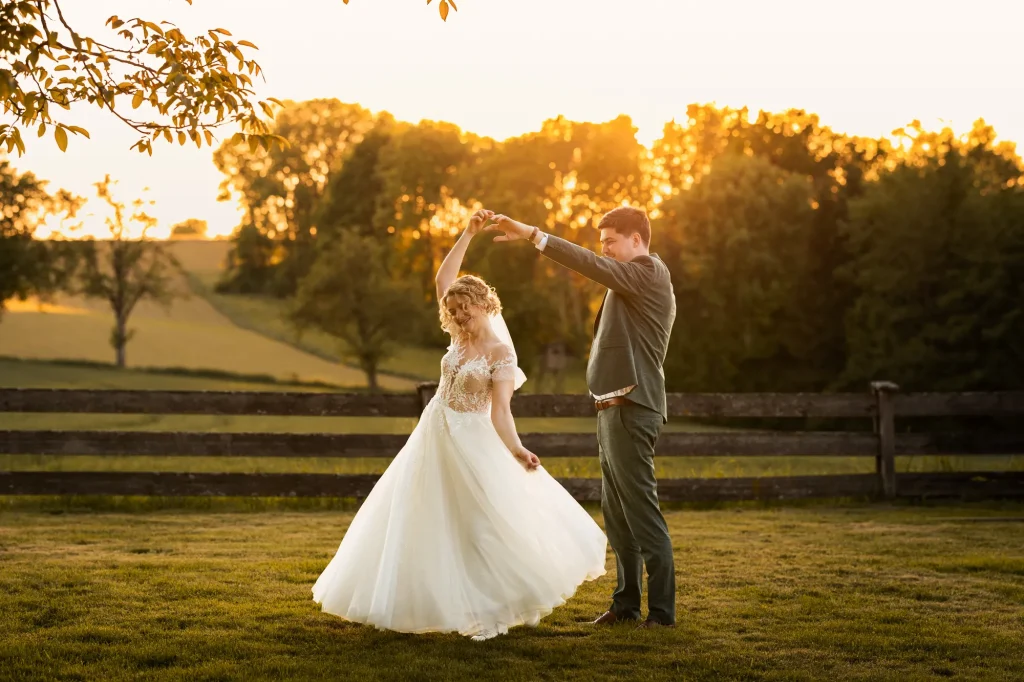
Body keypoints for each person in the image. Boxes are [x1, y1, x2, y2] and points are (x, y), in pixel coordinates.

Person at [312, 209, 607, 641]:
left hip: (472, 441)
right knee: (421, 517)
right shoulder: (459, 338)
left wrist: (516, 450)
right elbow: (442, 280)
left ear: (486, 304)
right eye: (453, 311)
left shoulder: (501, 353)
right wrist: (467, 234)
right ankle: (422, 601)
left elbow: (501, 410)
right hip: (433, 437)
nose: (457, 317)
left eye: (464, 309)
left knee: (480, 525)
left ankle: (490, 607)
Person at [485, 207, 677, 629]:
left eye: (610, 241)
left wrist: (535, 235)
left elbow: (589, 264)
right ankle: (626, 605)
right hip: (614, 407)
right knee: (618, 514)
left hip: (632, 407)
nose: (604, 249)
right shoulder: (633, 278)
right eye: (602, 242)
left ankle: (661, 616)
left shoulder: (648, 272)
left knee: (641, 512)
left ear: (637, 240)